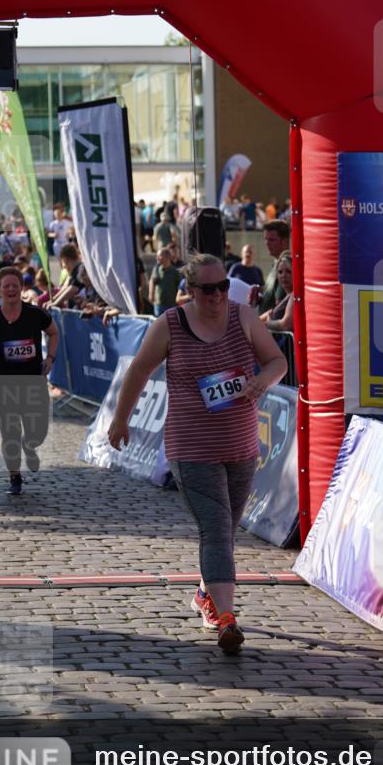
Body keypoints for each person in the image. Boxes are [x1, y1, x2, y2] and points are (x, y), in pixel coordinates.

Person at [108, 253, 287, 653]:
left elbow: (278, 360)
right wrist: (121, 419)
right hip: (191, 448)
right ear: (191, 290)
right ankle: (226, 618)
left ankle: (206, 595)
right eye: (209, 289)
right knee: (216, 530)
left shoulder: (243, 317)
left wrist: (262, 382)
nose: (218, 295)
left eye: (223, 286)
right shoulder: (170, 324)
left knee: (226, 530)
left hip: (241, 447)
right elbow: (138, 370)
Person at [0, 266, 59, 496]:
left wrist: (50, 357)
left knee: (37, 432)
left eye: (14, 285)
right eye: (6, 286)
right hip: (1, 384)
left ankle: (29, 445)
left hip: (32, 383)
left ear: (21, 288)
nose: (10, 289)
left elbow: (54, 332)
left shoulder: (35, 314)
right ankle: (15, 477)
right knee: (9, 432)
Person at [250, 219, 290, 314]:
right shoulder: (276, 262)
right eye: (265, 239)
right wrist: (262, 295)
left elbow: (280, 306)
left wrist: (259, 322)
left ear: (284, 241)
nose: (267, 243)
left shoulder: (285, 265)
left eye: (271, 240)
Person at [260, 251, 294, 333]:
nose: (283, 276)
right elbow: (256, 320)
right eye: (280, 272)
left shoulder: (295, 295)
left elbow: (285, 325)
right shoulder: (284, 298)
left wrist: (268, 323)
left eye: (288, 271)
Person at [149, 247, 183, 316]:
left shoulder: (175, 272)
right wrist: (151, 294)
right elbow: (152, 281)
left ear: (167, 257)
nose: (157, 258)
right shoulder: (156, 268)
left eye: (159, 256)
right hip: (159, 305)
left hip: (172, 305)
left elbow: (180, 287)